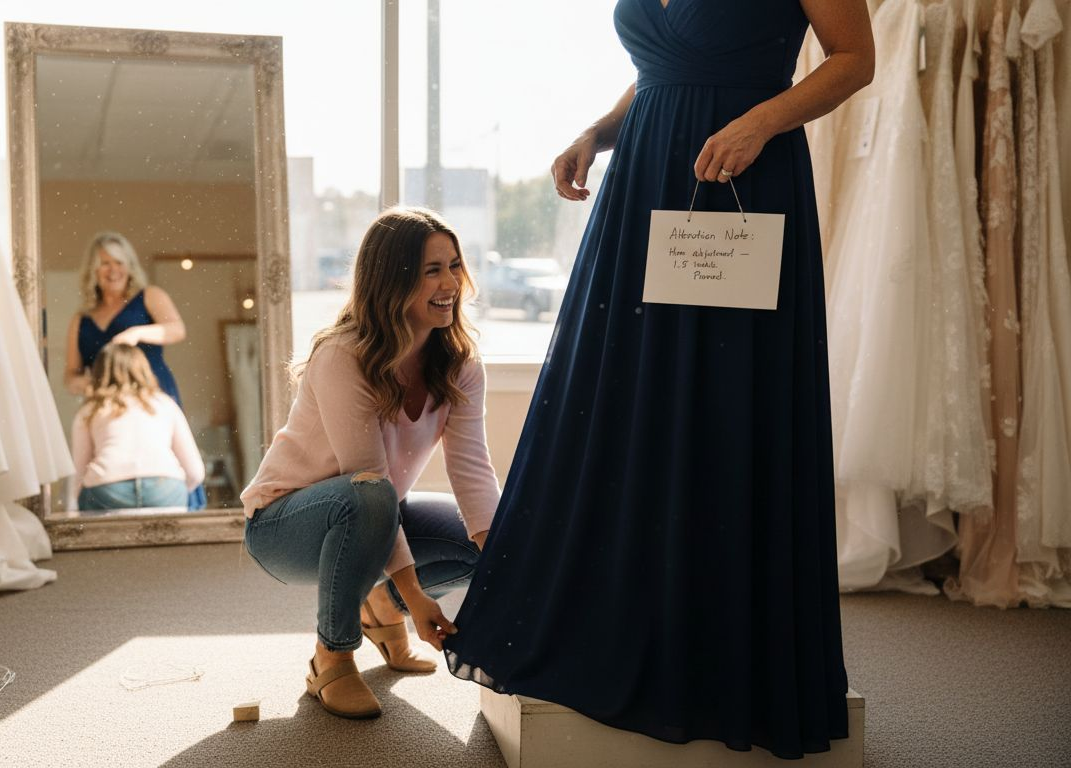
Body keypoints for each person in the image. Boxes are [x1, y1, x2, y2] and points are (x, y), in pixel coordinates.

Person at [442, 0, 874, 760]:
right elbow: (658, 71)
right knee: (615, 396)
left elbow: (852, 58)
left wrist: (762, 121)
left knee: (725, 407)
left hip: (744, 179)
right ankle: (619, 622)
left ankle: (718, 652)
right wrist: (596, 133)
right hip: (644, 179)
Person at [240, 207, 501, 720]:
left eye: (454, 265)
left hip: (373, 513)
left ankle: (380, 610)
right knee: (369, 494)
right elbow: (369, 480)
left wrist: (505, 562)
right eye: (431, 270)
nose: (450, 282)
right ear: (391, 280)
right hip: (282, 525)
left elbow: (472, 468)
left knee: (483, 545)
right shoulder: (344, 355)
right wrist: (418, 594)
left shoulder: (461, 364)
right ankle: (331, 658)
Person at [65, 231, 207, 509]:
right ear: (93, 270)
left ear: (130, 266)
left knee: (172, 458)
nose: (113, 269)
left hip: (153, 392)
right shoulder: (81, 319)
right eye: (105, 263)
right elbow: (70, 375)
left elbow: (177, 329)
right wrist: (91, 388)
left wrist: (137, 333)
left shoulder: (149, 296)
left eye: (119, 262)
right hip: (106, 402)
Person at [71, 344, 204, 512]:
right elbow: (195, 472)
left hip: (108, 489)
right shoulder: (164, 404)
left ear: (100, 372)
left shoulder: (90, 410)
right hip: (164, 487)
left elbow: (79, 473)